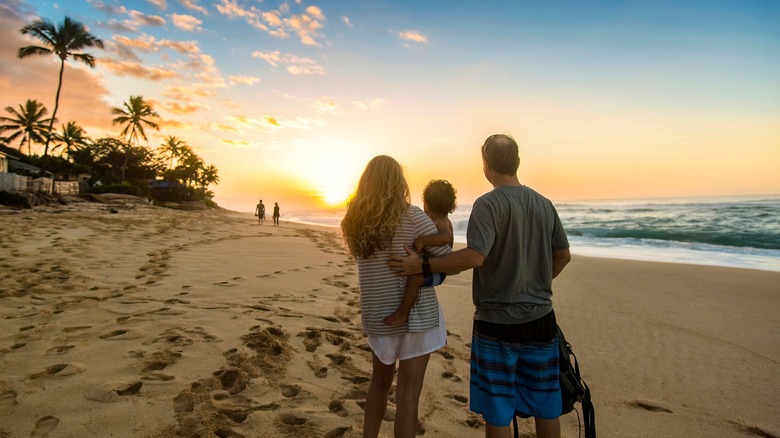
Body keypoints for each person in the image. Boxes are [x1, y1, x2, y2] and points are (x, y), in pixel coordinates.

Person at [389, 134, 572, 438]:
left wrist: (422, 266)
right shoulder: (544, 203)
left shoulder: (487, 205)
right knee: (545, 404)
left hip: (497, 323)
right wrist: (532, 283)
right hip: (542, 319)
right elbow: (563, 256)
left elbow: (475, 256)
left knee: (498, 409)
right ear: (517, 162)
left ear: (486, 166)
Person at [340, 155, 451, 438]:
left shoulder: (353, 222)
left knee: (378, 383)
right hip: (417, 320)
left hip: (379, 317)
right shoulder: (413, 216)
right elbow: (447, 259)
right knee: (408, 397)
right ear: (398, 182)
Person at [383, 179, 457, 326]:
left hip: (439, 272)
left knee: (414, 279)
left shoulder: (442, 221)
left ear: (427, 203)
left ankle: (403, 313)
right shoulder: (434, 219)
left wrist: (424, 240)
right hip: (432, 265)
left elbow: (446, 237)